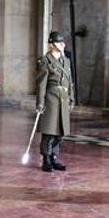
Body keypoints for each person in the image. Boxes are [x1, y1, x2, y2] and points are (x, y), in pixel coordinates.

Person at [36, 31, 74, 172]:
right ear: (52, 44)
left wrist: (72, 98)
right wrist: (40, 103)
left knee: (60, 132)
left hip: (63, 99)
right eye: (58, 42)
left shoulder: (66, 60)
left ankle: (54, 157)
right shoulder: (46, 60)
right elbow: (41, 83)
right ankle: (46, 159)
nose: (62, 44)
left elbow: (70, 81)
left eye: (62, 42)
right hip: (51, 98)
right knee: (49, 132)